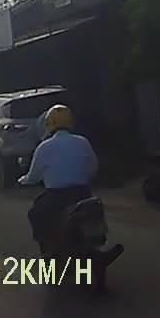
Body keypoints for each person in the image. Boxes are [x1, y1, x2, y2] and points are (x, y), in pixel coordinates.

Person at [19, 105, 98, 252]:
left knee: (35, 213)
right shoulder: (83, 142)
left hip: (56, 196)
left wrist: (23, 180)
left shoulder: (44, 147)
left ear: (49, 124)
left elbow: (33, 176)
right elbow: (93, 166)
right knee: (94, 208)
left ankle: (48, 251)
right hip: (83, 192)